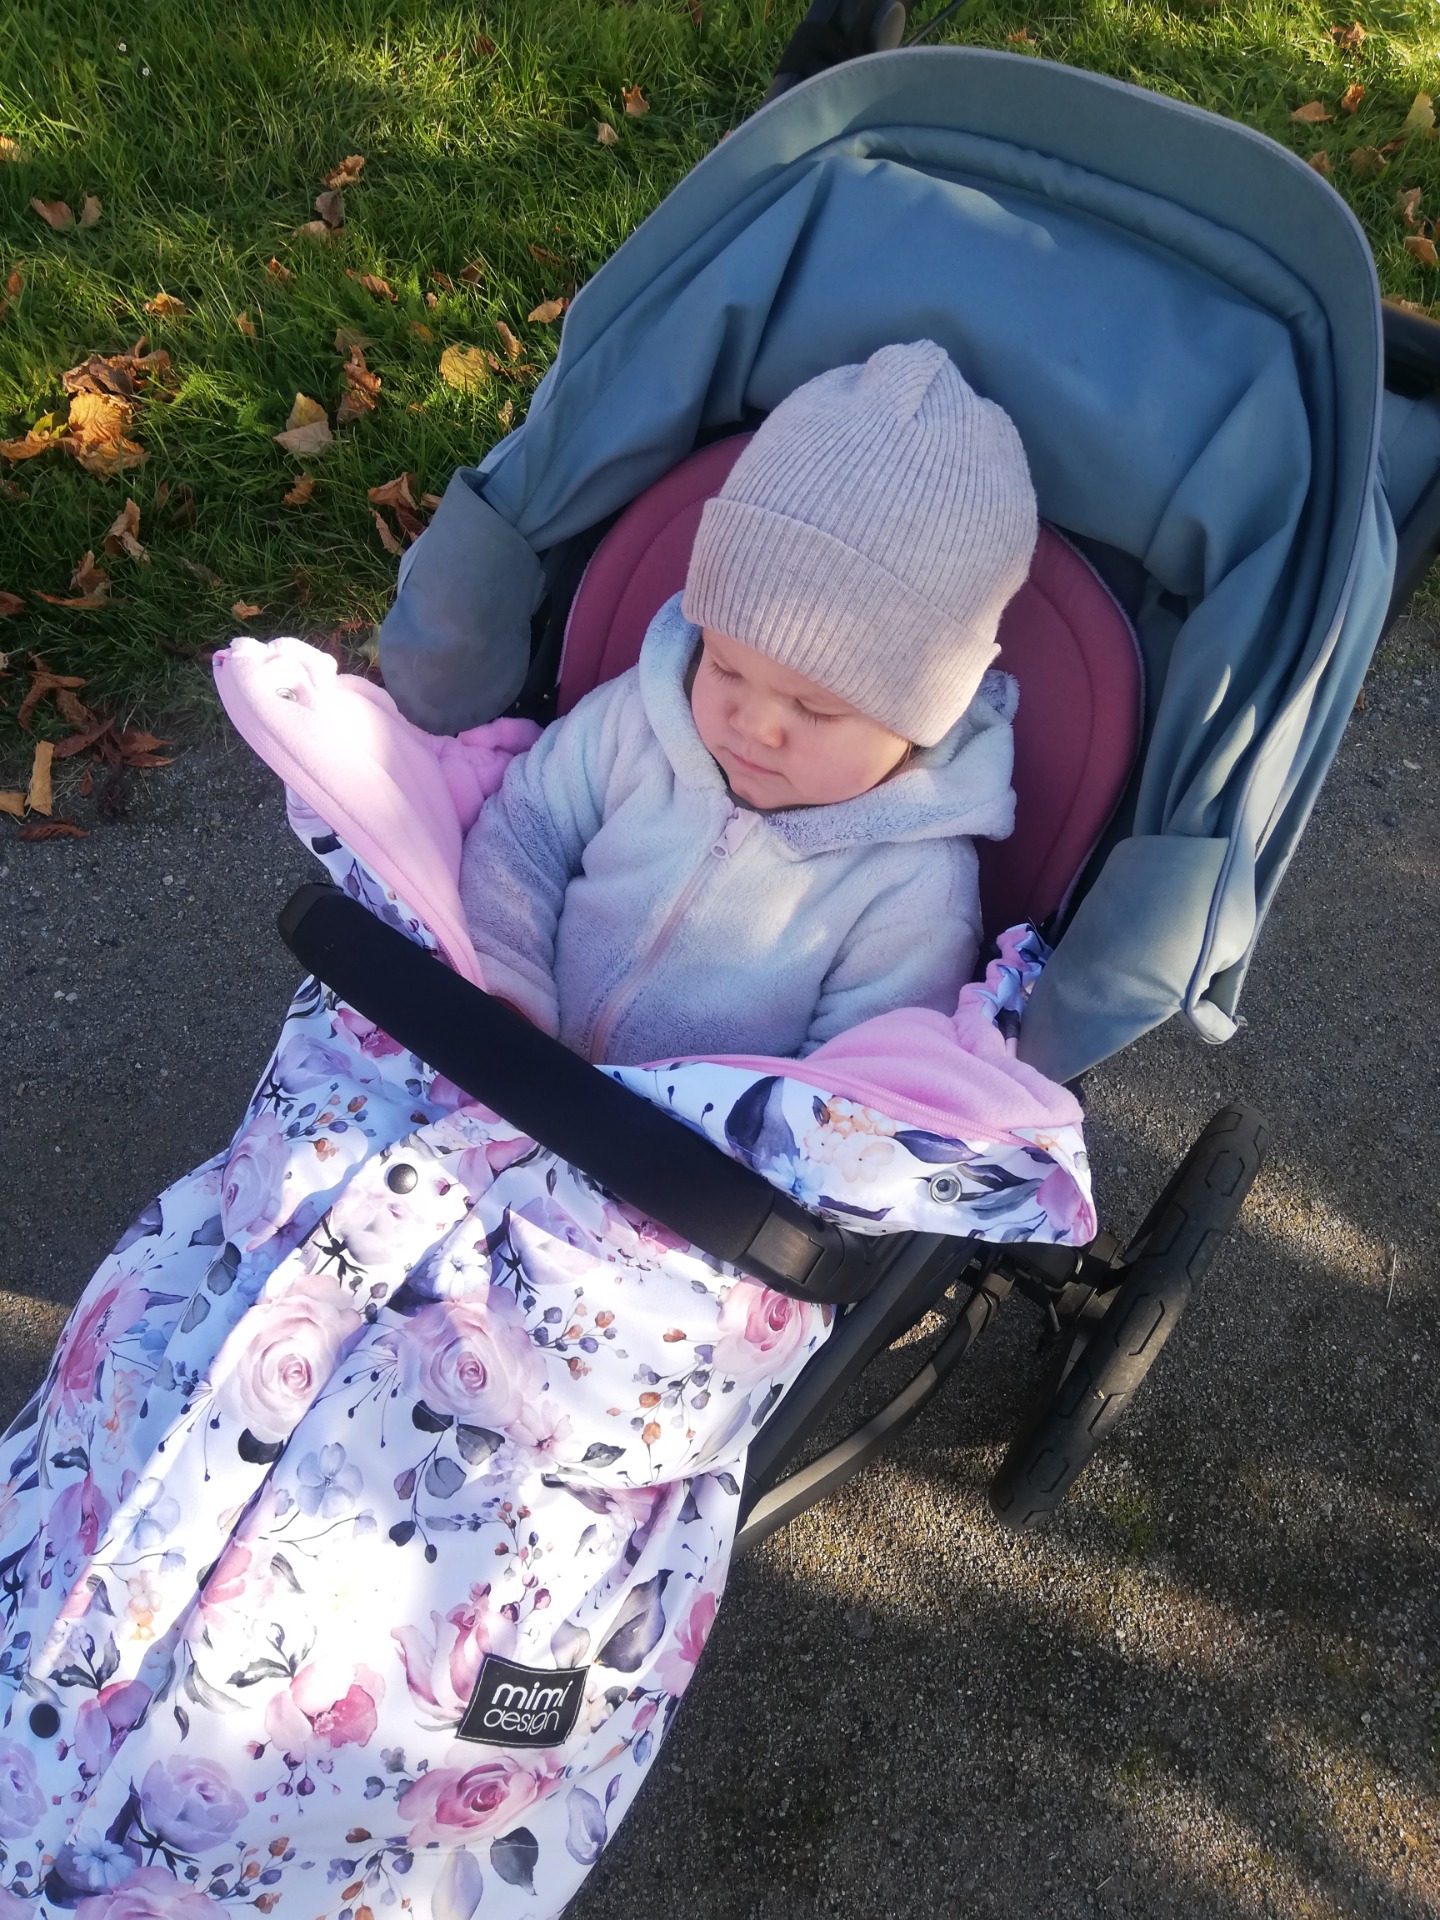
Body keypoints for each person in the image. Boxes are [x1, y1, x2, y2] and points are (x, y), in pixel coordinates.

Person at [459, 338, 1038, 1065]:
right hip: (500, 1064)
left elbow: (848, 1087)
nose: (754, 726)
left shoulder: (913, 889)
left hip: (686, 1134)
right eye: (726, 666)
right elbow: (526, 831)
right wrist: (504, 989)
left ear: (919, 718)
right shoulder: (640, 718)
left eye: (818, 709)